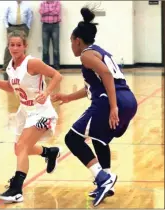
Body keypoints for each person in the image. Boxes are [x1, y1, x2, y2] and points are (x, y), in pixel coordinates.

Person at [52, 7, 138, 207]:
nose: (71, 46)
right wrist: (68, 97)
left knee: (72, 138)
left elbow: (107, 75)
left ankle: (102, 178)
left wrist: (113, 106)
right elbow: (92, 85)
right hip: (129, 100)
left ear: (77, 40)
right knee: (99, 139)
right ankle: (106, 182)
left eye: (70, 42)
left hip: (110, 100)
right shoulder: (98, 51)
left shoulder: (85, 55)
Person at [0, 30, 62, 203]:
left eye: (18, 45)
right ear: (8, 46)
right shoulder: (10, 67)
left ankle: (17, 189)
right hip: (25, 111)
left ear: (25, 46)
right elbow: (10, 87)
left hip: (42, 111)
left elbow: (57, 75)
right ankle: (50, 152)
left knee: (21, 146)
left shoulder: (32, 63)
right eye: (12, 45)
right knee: (19, 149)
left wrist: (47, 92)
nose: (15, 48)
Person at [39, 0, 61, 70]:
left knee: (56, 49)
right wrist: (51, 10)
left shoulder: (57, 2)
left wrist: (46, 11)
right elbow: (41, 12)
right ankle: (45, 65)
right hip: (45, 26)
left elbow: (57, 12)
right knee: (45, 48)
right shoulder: (42, 3)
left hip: (55, 26)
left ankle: (56, 65)